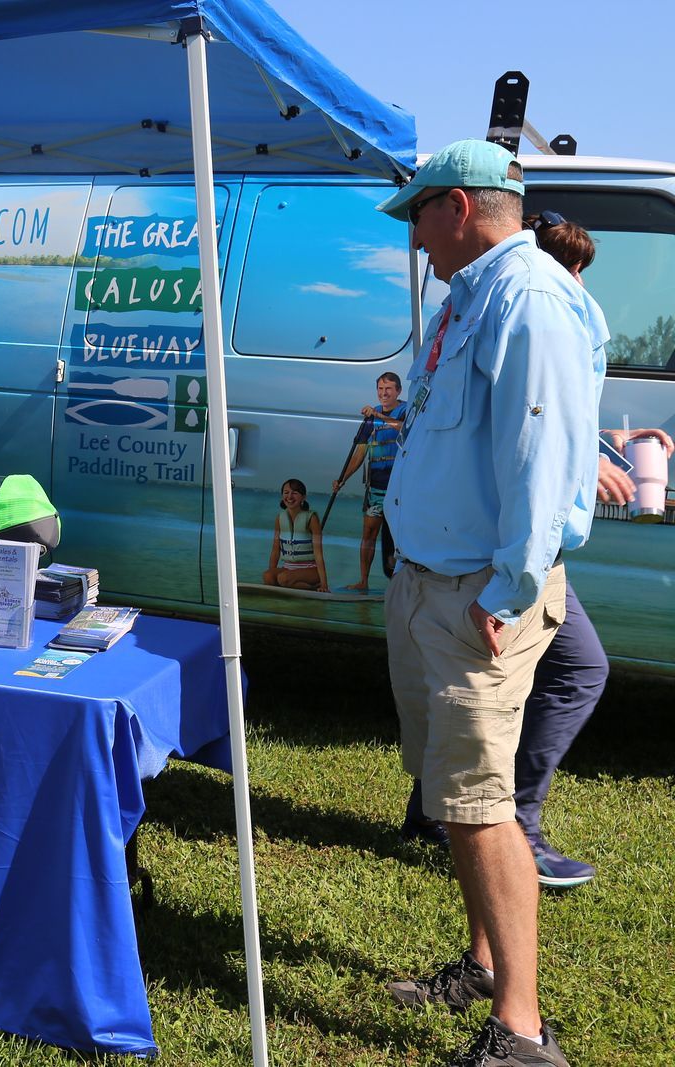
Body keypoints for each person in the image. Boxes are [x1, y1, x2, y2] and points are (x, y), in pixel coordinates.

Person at [374, 140, 605, 1066]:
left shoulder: (529, 300)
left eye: (420, 216)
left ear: (459, 207)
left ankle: (521, 1031)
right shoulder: (474, 296)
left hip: (481, 597)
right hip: (437, 581)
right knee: (453, 793)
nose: (415, 238)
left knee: (478, 801)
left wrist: (509, 591)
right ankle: (481, 963)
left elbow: (542, 465)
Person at [399, 213, 672, 892]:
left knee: (500, 689)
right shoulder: (532, 304)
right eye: (572, 271)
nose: (579, 286)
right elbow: (526, 445)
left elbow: (545, 424)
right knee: (572, 670)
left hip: (500, 552)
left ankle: (450, 813)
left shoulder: (522, 305)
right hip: (501, 552)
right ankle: (506, 820)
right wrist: (512, 585)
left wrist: (607, 449)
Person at [332, 372, 406, 591]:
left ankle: (399, 585)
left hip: (399, 489)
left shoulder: (406, 410)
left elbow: (404, 429)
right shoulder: (370, 419)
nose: (384, 394)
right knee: (369, 534)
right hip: (376, 487)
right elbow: (360, 453)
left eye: (389, 389)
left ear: (398, 391)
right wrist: (342, 479)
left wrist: (378, 415)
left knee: (398, 539)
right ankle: (363, 581)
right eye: (380, 389)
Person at [261, 478, 328, 591]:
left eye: (295, 493)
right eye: (286, 493)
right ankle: (291, 584)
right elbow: (275, 550)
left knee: (283, 579)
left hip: (310, 571)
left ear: (303, 497)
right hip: (288, 569)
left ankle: (314, 586)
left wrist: (324, 584)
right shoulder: (280, 518)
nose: (290, 497)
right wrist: (272, 578)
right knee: (267, 576)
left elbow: (318, 554)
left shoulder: (312, 519)